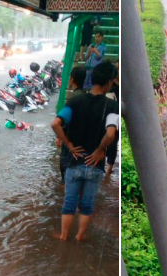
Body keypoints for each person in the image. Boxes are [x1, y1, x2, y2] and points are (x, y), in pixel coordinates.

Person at [51, 61, 119, 241]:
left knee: (69, 203)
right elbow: (111, 134)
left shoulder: (75, 101)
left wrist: (69, 144)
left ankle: (64, 235)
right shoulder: (112, 106)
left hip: (74, 162)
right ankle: (80, 235)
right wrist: (100, 149)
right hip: (95, 165)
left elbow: (55, 124)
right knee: (87, 205)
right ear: (109, 82)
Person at [56, 66, 87, 183]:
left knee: (66, 180)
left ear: (72, 79)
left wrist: (61, 138)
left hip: (71, 145)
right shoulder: (87, 96)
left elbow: (57, 123)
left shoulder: (73, 99)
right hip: (83, 145)